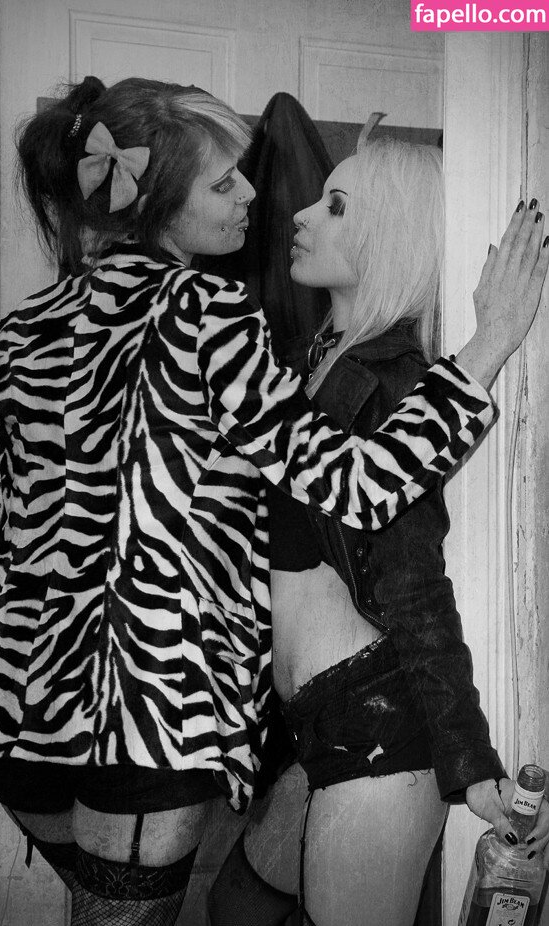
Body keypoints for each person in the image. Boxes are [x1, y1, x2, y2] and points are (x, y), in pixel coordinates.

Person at [0, 76, 548, 926]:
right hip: (144, 703)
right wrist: (486, 347)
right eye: (222, 183)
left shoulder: (17, 329)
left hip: (6, 698)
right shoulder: (209, 314)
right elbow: (360, 486)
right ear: (157, 204)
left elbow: (10, 511)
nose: (254, 194)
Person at [207, 138, 549, 926]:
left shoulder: (394, 379)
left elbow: (413, 582)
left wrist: (468, 762)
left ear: (387, 234)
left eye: (334, 206)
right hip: (313, 728)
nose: (299, 215)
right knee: (235, 906)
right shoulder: (311, 362)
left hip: (376, 728)